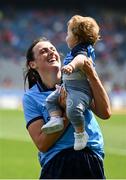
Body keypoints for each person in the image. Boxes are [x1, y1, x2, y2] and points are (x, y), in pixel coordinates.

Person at [22, 37, 111, 179]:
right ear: (32, 64)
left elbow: (105, 112)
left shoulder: (78, 79)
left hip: (89, 157)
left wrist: (91, 74)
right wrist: (68, 112)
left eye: (53, 49)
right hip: (57, 162)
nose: (51, 52)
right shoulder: (31, 97)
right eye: (44, 51)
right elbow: (42, 144)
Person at [41, 15, 100, 151]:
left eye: (68, 33)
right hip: (69, 88)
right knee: (50, 101)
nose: (66, 37)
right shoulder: (74, 51)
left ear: (77, 38)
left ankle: (80, 133)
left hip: (80, 91)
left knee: (73, 109)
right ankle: (55, 119)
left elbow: (81, 59)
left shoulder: (81, 51)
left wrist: (71, 66)